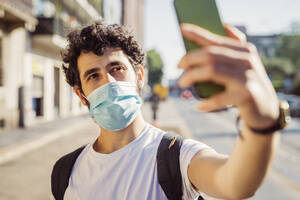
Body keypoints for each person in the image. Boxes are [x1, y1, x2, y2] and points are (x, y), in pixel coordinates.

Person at [52, 20, 285, 200]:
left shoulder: (176, 156)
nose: (109, 82)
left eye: (117, 68)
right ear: (81, 95)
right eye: (93, 76)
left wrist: (262, 123)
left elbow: (235, 182)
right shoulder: (66, 171)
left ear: (140, 77)